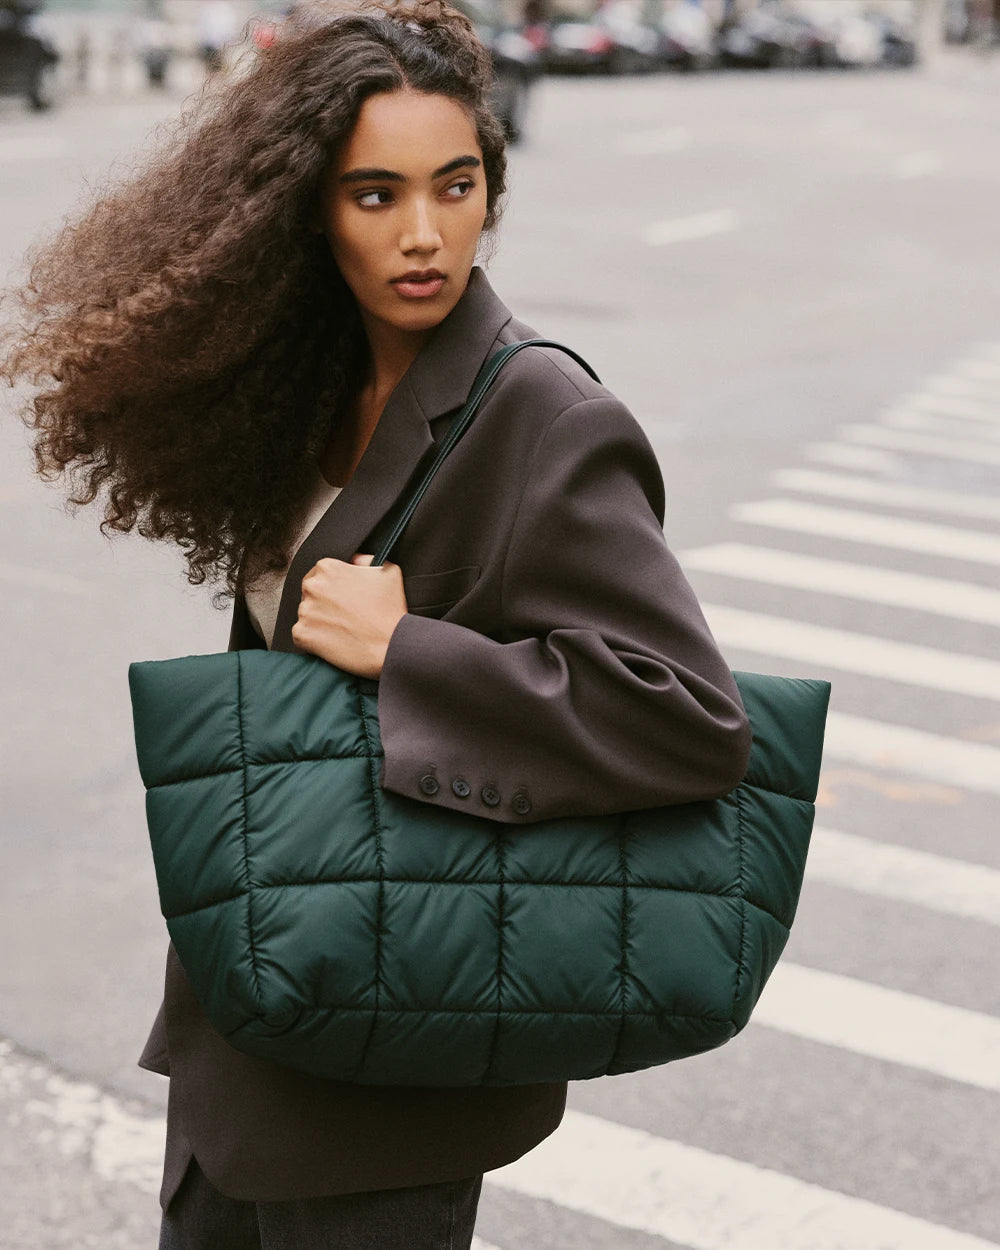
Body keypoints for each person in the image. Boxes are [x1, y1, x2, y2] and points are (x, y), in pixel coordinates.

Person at [0, 2, 752, 1245]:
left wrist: (410, 649)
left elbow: (688, 717)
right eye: (373, 195)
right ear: (306, 211)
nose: (423, 234)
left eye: (455, 186)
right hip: (253, 1006)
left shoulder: (542, 414)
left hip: (391, 1047)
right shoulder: (305, 383)